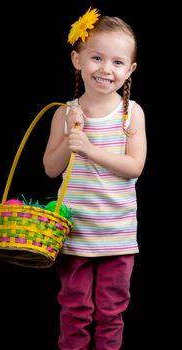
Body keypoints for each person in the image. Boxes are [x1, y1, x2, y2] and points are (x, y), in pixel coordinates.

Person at [43, 7, 147, 350]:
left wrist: (88, 149)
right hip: (75, 232)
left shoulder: (131, 113)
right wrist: (72, 134)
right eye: (97, 57)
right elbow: (50, 168)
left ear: (129, 69)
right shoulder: (65, 111)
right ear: (77, 60)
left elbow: (134, 166)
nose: (106, 69)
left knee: (111, 310)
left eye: (117, 62)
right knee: (74, 309)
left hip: (116, 233)